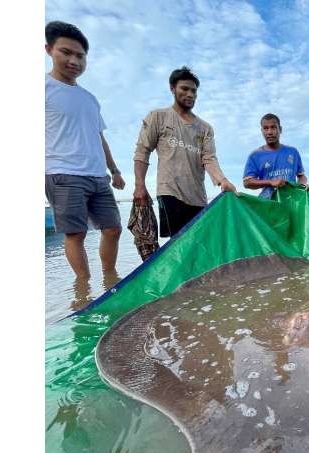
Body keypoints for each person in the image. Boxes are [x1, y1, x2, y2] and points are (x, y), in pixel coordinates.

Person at [45, 21, 126, 279]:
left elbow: (100, 137)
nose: (74, 61)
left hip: (97, 175)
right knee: (76, 234)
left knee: (113, 228)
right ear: (49, 50)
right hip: (62, 173)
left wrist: (114, 170)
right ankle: (84, 287)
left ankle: (110, 277)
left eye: (80, 56)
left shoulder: (90, 99)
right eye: (66, 52)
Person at [133, 67, 237, 238]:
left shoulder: (205, 128)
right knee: (178, 244)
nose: (190, 94)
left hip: (198, 196)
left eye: (194, 91)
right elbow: (142, 152)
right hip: (170, 192)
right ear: (173, 88)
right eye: (184, 89)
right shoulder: (158, 117)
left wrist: (222, 181)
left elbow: (209, 158)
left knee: (200, 243)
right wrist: (139, 186)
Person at [242, 114, 308, 199]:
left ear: (280, 129)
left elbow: (301, 176)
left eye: (273, 127)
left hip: (292, 201)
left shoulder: (293, 152)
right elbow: (247, 182)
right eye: (266, 128)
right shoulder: (255, 156)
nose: (269, 132)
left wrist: (302, 185)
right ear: (262, 131)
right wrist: (271, 182)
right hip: (268, 204)